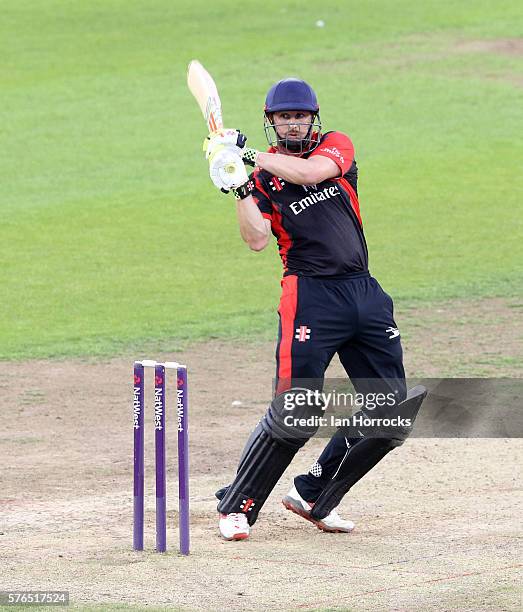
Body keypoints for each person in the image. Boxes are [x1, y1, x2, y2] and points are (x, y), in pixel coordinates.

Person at [204, 78, 426, 541]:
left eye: (300, 115)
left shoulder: (334, 146)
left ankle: (314, 493)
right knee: (297, 410)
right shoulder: (260, 178)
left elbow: (307, 175)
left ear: (313, 117)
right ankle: (238, 505)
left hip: (363, 292)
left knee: (393, 412)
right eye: (284, 117)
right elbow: (256, 239)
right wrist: (237, 187)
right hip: (309, 295)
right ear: (272, 122)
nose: (293, 123)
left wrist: (244, 155)